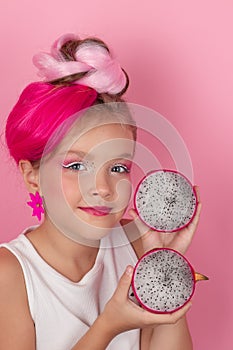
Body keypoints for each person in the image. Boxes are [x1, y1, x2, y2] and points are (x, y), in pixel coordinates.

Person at [0, 33, 201, 350]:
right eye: (76, 166)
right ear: (32, 176)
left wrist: (163, 263)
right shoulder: (10, 274)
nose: (103, 189)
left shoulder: (136, 244)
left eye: (118, 168)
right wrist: (108, 326)